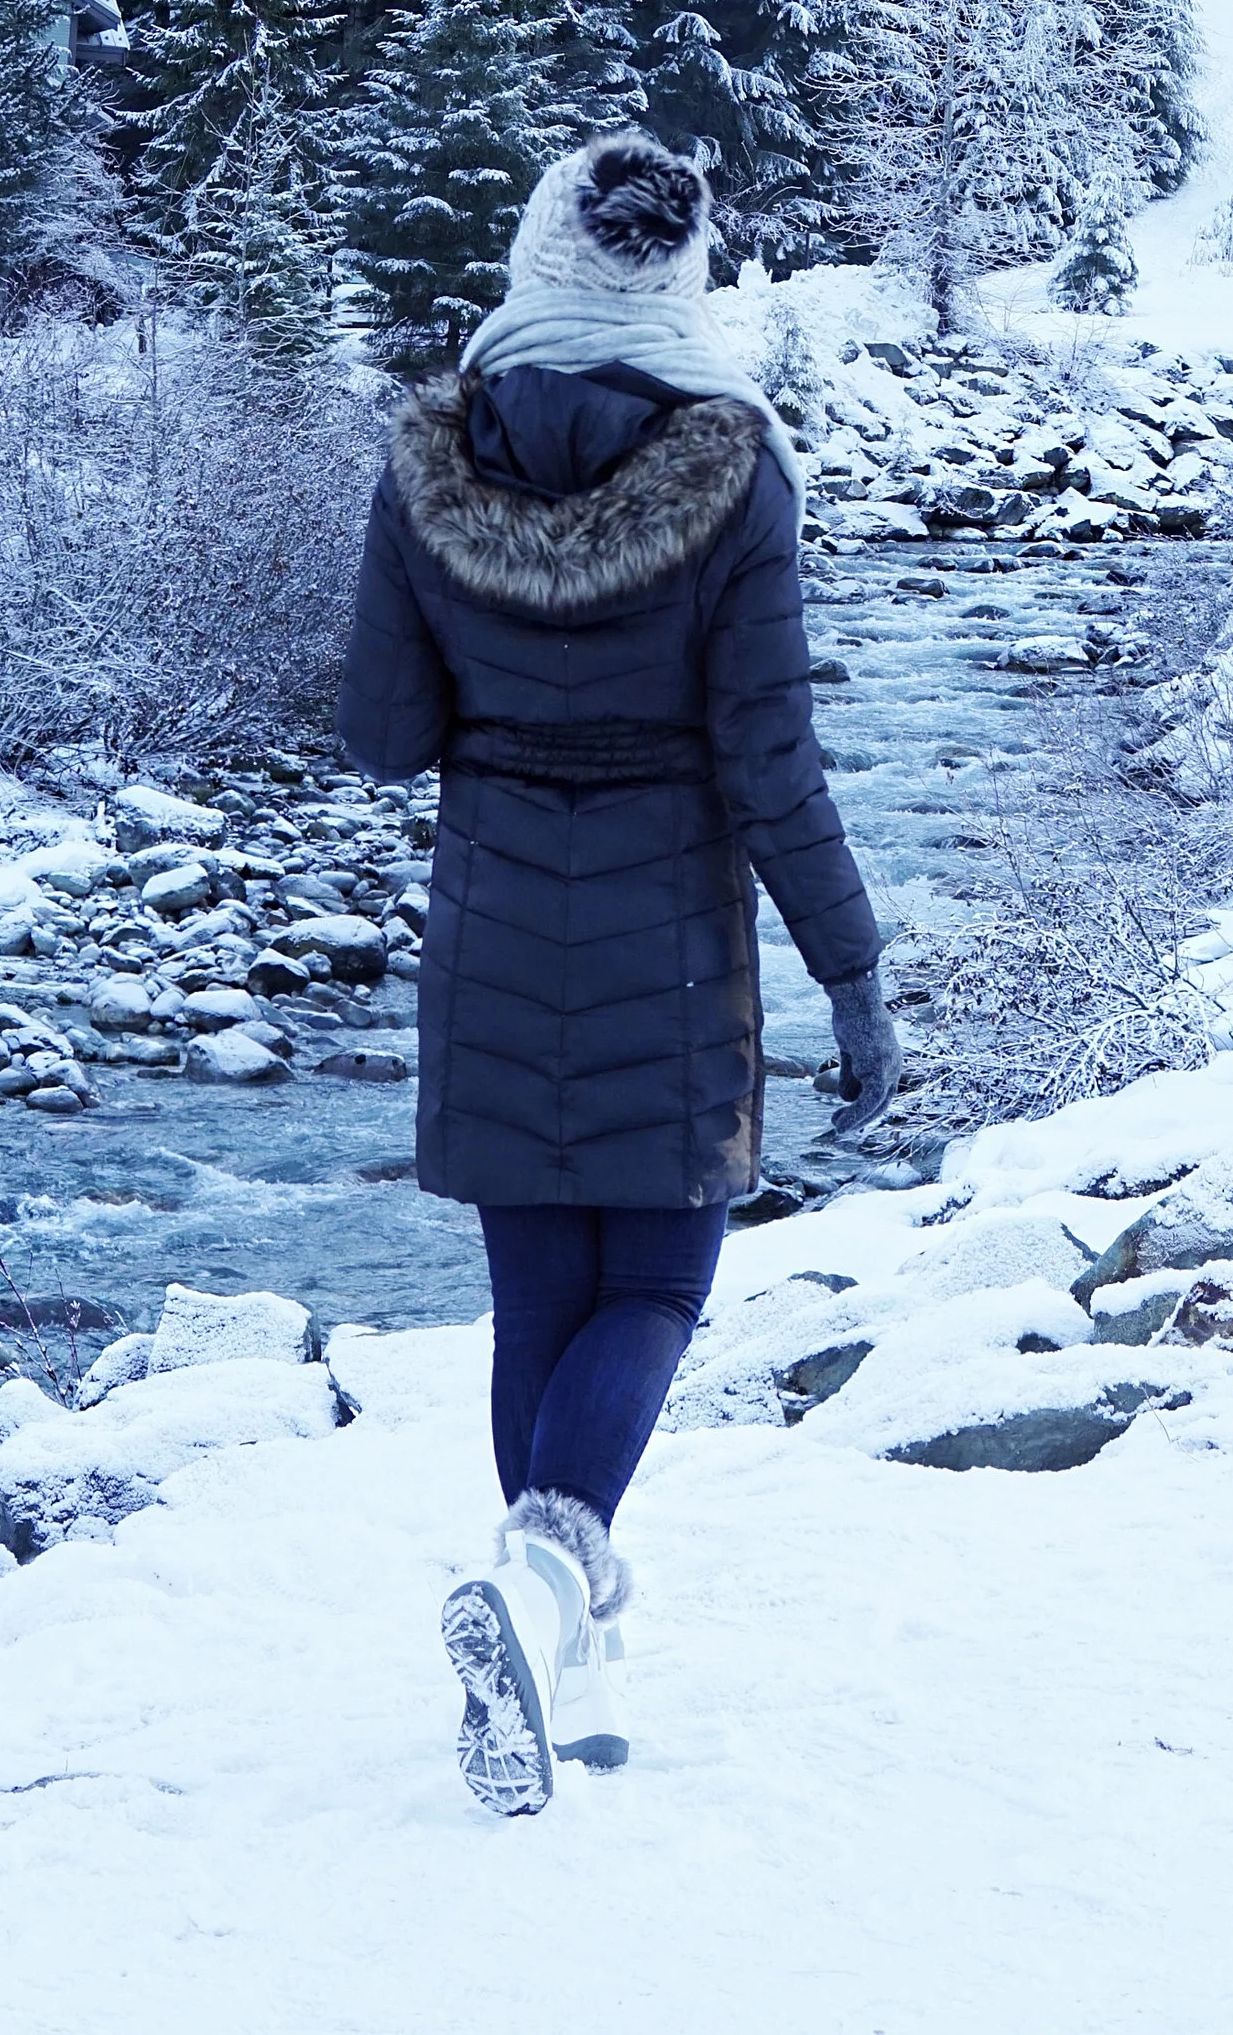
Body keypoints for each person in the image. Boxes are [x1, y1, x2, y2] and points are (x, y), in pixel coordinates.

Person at [335, 127, 901, 1818]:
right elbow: (773, 763)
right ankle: (545, 1587)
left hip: (498, 925)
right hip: (670, 945)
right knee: (653, 1291)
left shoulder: (432, 458)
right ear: (683, 274)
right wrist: (854, 976)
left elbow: (378, 733)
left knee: (541, 1300)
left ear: (533, 256)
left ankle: (553, 1665)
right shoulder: (732, 466)